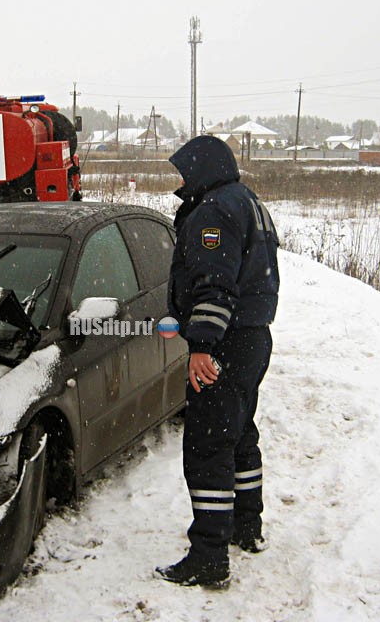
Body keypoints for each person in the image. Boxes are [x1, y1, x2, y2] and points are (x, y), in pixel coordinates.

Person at [156, 135, 280, 588]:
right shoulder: (247, 201)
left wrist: (203, 345)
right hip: (253, 338)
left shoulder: (213, 211)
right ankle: (247, 527)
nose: (182, 179)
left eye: (186, 170)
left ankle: (209, 555)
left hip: (225, 343)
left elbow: (215, 282)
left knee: (208, 444)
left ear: (204, 167)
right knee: (240, 434)